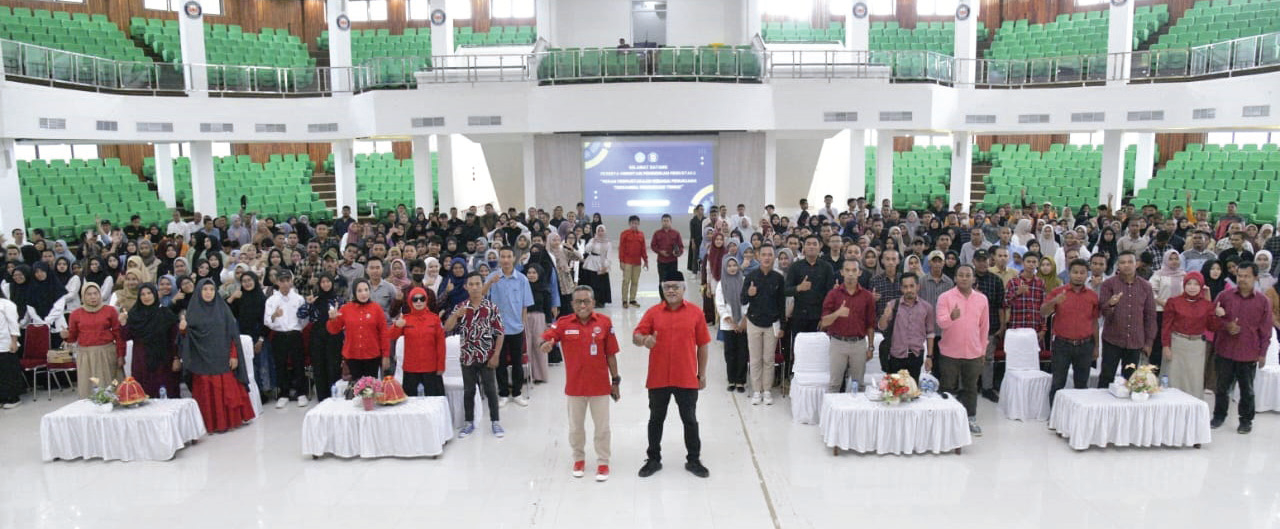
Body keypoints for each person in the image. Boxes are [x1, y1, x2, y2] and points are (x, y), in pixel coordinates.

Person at [539, 285, 621, 482]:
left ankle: (602, 462)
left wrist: (615, 381)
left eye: (586, 301)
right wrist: (545, 344)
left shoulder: (604, 322)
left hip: (600, 386)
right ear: (572, 304)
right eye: (578, 302)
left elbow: (611, 354)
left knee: (602, 427)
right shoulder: (564, 323)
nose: (582, 305)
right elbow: (548, 336)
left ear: (593, 303)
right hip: (575, 387)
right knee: (576, 427)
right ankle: (579, 459)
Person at [633, 271, 711, 479]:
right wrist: (644, 340)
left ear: (684, 289)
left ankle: (693, 459)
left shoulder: (696, 313)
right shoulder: (653, 313)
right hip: (658, 378)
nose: (671, 290)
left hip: (686, 377)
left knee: (690, 420)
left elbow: (703, 345)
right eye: (667, 287)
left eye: (675, 286)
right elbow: (636, 335)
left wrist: (701, 375)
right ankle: (653, 459)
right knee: (655, 419)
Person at [179, 279, 255, 433]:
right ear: (198, 292)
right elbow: (188, 338)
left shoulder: (223, 309)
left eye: (211, 289)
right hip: (202, 361)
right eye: (205, 289)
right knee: (207, 393)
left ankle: (228, 421)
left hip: (223, 358)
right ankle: (209, 423)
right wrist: (183, 330)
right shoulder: (192, 311)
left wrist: (234, 355)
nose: (208, 293)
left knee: (226, 389)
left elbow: (233, 334)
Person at [1211, 262, 1272, 434]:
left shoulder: (1263, 301)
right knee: (1221, 387)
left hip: (1248, 352)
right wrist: (1226, 325)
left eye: (1247, 276)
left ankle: (1246, 421)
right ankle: (1219, 416)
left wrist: (1262, 354)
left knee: (1247, 390)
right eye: (1240, 275)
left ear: (1255, 278)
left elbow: (1266, 331)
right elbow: (1212, 319)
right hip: (1225, 350)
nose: (1242, 279)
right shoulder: (1225, 296)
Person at [443, 272, 504, 438]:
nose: (475, 287)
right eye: (472, 284)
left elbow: (499, 333)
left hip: (486, 356)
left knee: (491, 390)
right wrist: (456, 315)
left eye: (478, 284)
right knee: (469, 390)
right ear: (466, 287)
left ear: (481, 285)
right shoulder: (461, 307)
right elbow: (447, 328)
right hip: (467, 356)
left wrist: (496, 354)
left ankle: (495, 422)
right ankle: (469, 422)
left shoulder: (491, 307)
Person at [935, 265, 989, 436]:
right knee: (947, 387)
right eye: (961, 275)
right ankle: (945, 420)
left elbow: (984, 327)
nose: (964, 278)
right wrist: (951, 317)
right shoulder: (945, 297)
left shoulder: (982, 299)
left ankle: (970, 419)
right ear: (955, 278)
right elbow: (940, 323)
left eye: (968, 275)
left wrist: (982, 350)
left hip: (973, 352)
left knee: (970, 388)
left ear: (973, 279)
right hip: (950, 352)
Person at [1041, 259, 1100, 404]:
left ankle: (1079, 418)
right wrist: (1054, 301)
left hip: (1085, 345)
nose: (1078, 276)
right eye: (1075, 272)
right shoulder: (1058, 292)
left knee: (1081, 384)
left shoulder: (1092, 296)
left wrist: (1096, 346)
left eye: (1082, 273)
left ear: (1087, 275)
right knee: (1058, 383)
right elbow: (1043, 313)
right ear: (1069, 273)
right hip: (1062, 345)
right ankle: (1054, 416)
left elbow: (1094, 322)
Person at [1098, 252, 1158, 387]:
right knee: (1106, 377)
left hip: (1135, 341)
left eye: (1130, 262)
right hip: (1112, 339)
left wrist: (1149, 342)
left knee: (1131, 380)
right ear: (1118, 265)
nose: (1127, 265)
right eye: (1123, 262)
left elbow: (1150, 316)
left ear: (1136, 264)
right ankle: (1103, 408)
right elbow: (1103, 312)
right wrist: (1111, 304)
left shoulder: (1146, 286)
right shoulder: (1109, 284)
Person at [486, 247, 534, 407]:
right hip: (497, 328)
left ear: (513, 258)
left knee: (517, 361)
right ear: (499, 259)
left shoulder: (522, 279)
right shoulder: (492, 277)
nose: (506, 260)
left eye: (508, 256)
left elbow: (525, 305)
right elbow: (481, 295)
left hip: (516, 328)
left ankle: (518, 393)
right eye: (503, 257)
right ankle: (503, 393)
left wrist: (522, 323)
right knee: (499, 362)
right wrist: (490, 283)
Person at [820, 259, 876, 391]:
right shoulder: (833, 294)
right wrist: (837, 313)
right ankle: (831, 412)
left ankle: (857, 412)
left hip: (858, 344)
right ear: (842, 272)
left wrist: (871, 347)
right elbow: (824, 322)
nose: (851, 273)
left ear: (860, 273)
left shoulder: (867, 296)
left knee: (859, 385)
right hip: (838, 343)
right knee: (834, 384)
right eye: (847, 270)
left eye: (854, 270)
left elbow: (871, 324)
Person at [739, 245, 785, 405]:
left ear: (774, 257)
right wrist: (749, 294)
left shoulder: (778, 278)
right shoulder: (751, 276)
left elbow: (781, 305)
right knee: (755, 359)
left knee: (769, 359)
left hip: (772, 324)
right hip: (754, 322)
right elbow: (742, 300)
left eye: (770, 255)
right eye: (764, 254)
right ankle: (756, 391)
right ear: (758, 257)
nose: (766, 257)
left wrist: (783, 327)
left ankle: (767, 390)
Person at [63, 282, 125, 398]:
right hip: (86, 356)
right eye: (89, 294)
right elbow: (72, 337)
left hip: (107, 354)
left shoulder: (110, 311)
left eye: (95, 293)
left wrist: (121, 355)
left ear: (100, 295)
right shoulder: (76, 314)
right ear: (83, 296)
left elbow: (118, 334)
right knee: (89, 387)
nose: (93, 297)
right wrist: (65, 336)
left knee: (111, 385)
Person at [1161, 272, 1215, 398]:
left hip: (1197, 347)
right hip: (1177, 344)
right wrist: (1166, 346)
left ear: (1201, 286)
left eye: (1196, 284)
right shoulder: (1173, 302)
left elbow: (1212, 327)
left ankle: (1192, 410)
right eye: (1189, 283)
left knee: (1194, 380)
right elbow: (1166, 326)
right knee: (1174, 378)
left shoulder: (1206, 304)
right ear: (1184, 285)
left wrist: (1215, 312)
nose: (1192, 287)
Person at [326, 279, 391, 381]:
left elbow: (384, 333)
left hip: (372, 356)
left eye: (366, 290)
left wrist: (386, 355)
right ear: (354, 293)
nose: (363, 293)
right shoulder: (346, 309)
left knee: (371, 388)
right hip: (352, 356)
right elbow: (333, 330)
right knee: (357, 388)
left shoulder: (376, 308)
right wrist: (332, 319)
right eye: (359, 291)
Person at [122, 283, 180, 398]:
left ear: (155, 294)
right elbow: (126, 336)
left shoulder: (165, 313)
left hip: (163, 361)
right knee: (143, 394)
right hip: (141, 361)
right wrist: (123, 323)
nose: (146, 297)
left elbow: (174, 339)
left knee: (164, 393)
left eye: (149, 293)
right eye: (143, 294)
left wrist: (176, 358)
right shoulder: (134, 314)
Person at [877, 272, 935, 382]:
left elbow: (930, 333)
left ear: (918, 286)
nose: (909, 290)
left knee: (912, 391)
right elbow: (881, 327)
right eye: (905, 287)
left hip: (916, 356)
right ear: (901, 288)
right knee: (895, 392)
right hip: (896, 356)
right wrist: (885, 316)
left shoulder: (927, 307)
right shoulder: (893, 305)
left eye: (912, 286)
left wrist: (929, 357)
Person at [264, 270, 308, 408]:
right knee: (280, 365)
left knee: (298, 364)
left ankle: (301, 393)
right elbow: (267, 320)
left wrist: (298, 329)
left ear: (291, 281)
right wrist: (275, 316)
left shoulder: (299, 298)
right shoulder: (272, 300)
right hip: (279, 335)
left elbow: (304, 319)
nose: (285, 283)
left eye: (287, 280)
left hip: (295, 334)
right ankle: (283, 394)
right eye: (282, 281)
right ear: (277, 282)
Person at [392, 286, 447, 397]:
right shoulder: (405, 319)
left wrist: (441, 366)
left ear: (426, 300)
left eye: (422, 299)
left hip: (431, 367)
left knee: (435, 400)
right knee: (409, 403)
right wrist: (396, 326)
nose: (418, 302)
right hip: (411, 367)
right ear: (410, 301)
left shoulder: (434, 319)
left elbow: (441, 345)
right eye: (415, 299)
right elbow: (390, 336)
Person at [971, 250, 1006, 401]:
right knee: (968, 358)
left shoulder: (996, 280)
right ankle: (968, 387)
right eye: (979, 260)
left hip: (990, 325)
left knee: (989, 359)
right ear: (973, 261)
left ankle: (987, 388)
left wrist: (1002, 326)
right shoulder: (967, 279)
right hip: (970, 327)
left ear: (989, 261)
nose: (982, 263)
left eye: (984, 260)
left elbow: (1000, 306)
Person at [715, 255, 749, 392]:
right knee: (730, 353)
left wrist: (742, 322)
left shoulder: (744, 281)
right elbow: (720, 304)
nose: (732, 268)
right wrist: (731, 321)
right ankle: (731, 380)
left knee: (742, 352)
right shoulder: (721, 283)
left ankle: (741, 381)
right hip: (728, 324)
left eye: (734, 265)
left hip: (743, 324)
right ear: (725, 268)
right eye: (729, 266)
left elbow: (748, 301)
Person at [1149, 249, 1186, 369]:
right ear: (1165, 260)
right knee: (1159, 342)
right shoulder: (1158, 274)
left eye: (1176, 259)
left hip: (1179, 314)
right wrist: (1162, 302)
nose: (1174, 261)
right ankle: (1154, 371)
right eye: (1171, 259)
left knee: (1175, 341)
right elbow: (1150, 291)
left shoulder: (1184, 275)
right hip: (1161, 312)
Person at [618, 215, 648, 307]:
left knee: (635, 281)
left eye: (636, 223)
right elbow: (621, 248)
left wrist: (646, 260)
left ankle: (632, 299)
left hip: (637, 262)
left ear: (638, 224)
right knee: (626, 281)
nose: (634, 225)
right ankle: (624, 300)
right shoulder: (624, 234)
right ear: (629, 223)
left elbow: (643, 248)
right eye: (632, 223)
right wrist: (621, 261)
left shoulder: (641, 234)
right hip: (627, 261)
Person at [581, 225, 612, 307]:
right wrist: (593, 241)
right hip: (592, 262)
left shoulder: (608, 242)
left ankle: (601, 301)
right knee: (592, 283)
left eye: (602, 230)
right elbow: (587, 250)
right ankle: (592, 300)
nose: (600, 232)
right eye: (599, 230)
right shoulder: (592, 240)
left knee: (602, 284)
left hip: (602, 262)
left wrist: (606, 265)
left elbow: (609, 256)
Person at [650, 214, 684, 287]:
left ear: (670, 222)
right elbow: (653, 246)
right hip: (661, 261)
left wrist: (678, 253)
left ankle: (672, 297)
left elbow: (681, 246)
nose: (665, 222)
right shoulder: (657, 233)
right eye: (664, 221)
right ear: (661, 222)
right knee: (662, 281)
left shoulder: (676, 233)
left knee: (673, 280)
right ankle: (663, 298)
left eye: (667, 221)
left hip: (673, 261)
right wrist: (660, 251)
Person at [0, 289, 20, 409]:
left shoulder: (7, 304)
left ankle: (13, 398)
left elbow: (13, 324)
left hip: (6, 343)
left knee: (7, 373)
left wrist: (14, 341)